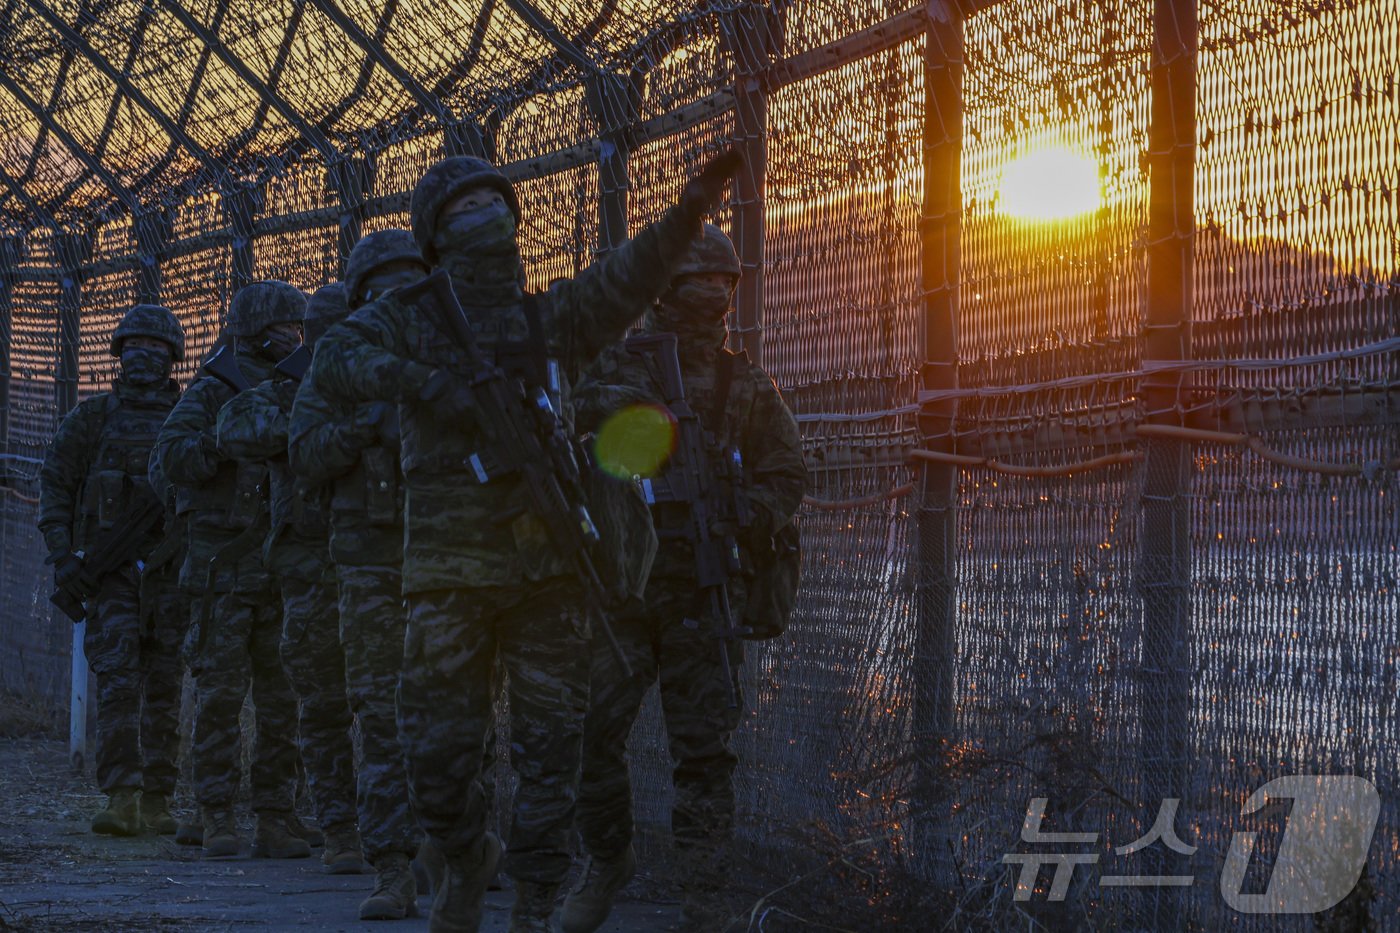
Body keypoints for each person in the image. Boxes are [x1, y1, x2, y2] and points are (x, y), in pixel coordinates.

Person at [310, 150, 742, 932]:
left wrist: (689, 212)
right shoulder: (410, 316)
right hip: (448, 573)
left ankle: (535, 903)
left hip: (550, 571)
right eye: (464, 212)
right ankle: (465, 852)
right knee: (435, 753)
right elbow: (336, 359)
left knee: (552, 755)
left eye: (493, 208)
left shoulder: (553, 320)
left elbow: (629, 277)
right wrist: (430, 383)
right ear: (436, 234)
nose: (485, 224)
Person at [564, 225, 807, 932]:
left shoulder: (746, 383)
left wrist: (741, 512)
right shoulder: (613, 368)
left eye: (719, 283)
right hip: (623, 589)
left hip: (702, 589)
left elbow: (787, 474)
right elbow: (562, 446)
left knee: (703, 751)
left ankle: (703, 896)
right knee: (590, 729)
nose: (708, 296)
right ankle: (606, 860)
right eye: (694, 281)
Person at [287, 233, 434, 920]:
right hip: (369, 563)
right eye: (384, 283)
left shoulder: (452, 351)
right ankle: (394, 866)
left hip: (452, 555)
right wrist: (362, 428)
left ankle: (458, 850)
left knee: (460, 718)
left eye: (411, 279)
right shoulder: (336, 366)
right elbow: (305, 454)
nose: (398, 294)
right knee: (379, 712)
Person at [154, 281, 308, 860]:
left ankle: (277, 815)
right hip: (223, 568)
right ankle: (215, 813)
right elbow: (171, 456)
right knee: (220, 694)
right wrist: (225, 444)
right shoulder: (215, 387)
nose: (295, 336)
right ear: (259, 328)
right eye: (286, 327)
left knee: (281, 696)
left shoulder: (292, 383)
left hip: (279, 563)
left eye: (299, 327)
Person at [214, 283, 363, 875]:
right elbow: (233, 429)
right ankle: (341, 829)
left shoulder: (385, 386)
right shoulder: (280, 395)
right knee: (324, 705)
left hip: (383, 568)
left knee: (391, 707)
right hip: (310, 573)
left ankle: (401, 831)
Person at [38, 304, 189, 837]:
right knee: (120, 680)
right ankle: (122, 795)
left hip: (173, 572)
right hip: (113, 574)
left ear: (172, 357)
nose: (143, 357)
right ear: (118, 355)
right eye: (133, 347)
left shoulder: (190, 418)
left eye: (154, 348)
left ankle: (158, 799)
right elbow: (56, 485)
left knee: (166, 683)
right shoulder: (93, 419)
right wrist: (64, 557)